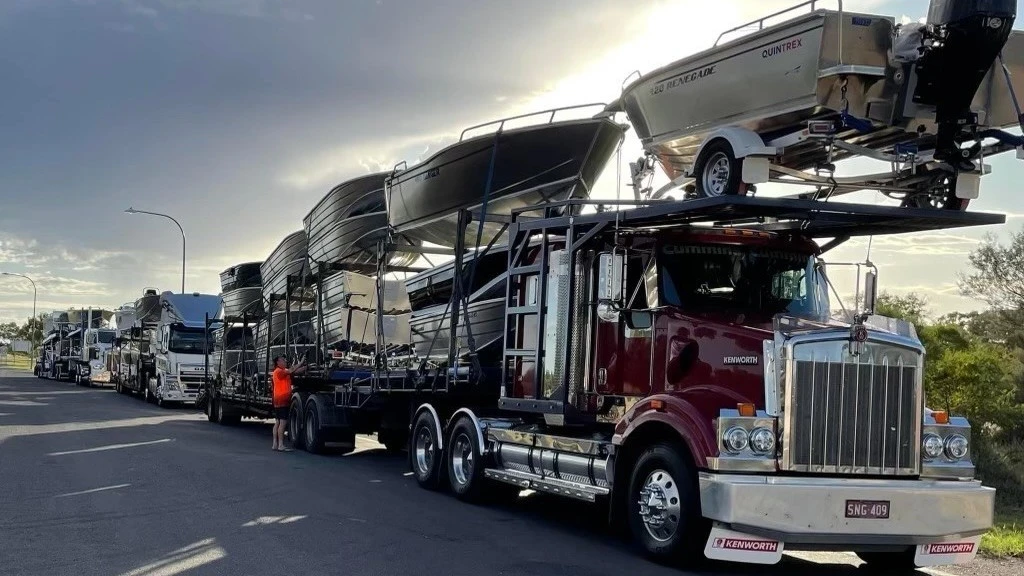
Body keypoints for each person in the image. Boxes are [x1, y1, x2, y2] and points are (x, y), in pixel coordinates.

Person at [272, 355, 306, 451]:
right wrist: (301, 362)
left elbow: (294, 371)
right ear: (278, 362)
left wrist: (305, 367)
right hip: (282, 399)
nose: (285, 361)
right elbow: (292, 370)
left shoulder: (283, 371)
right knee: (283, 422)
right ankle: (280, 445)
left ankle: (275, 444)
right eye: (283, 360)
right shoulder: (279, 371)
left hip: (278, 399)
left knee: (278, 422)